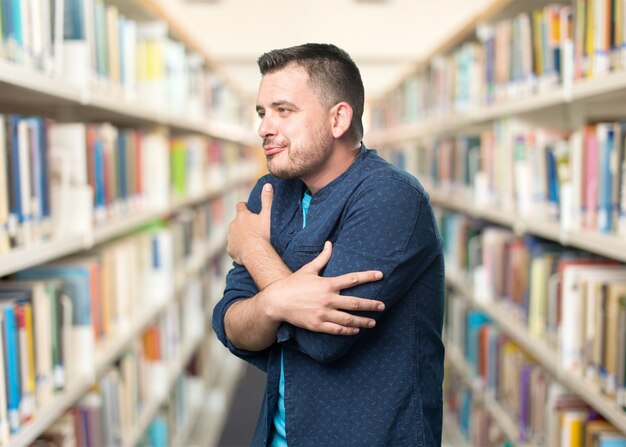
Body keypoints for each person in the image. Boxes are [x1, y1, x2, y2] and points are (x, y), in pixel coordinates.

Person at [212, 43, 445, 447]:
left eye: (283, 111)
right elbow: (231, 323)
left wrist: (253, 251)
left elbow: (326, 337)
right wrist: (275, 304)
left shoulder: (391, 197)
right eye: (262, 113)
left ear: (338, 118)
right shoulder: (271, 193)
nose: (265, 128)